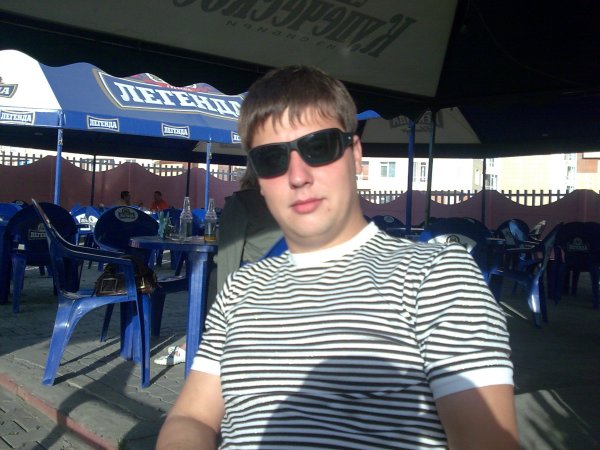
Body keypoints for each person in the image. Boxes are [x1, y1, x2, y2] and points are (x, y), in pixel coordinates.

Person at [156, 66, 518, 449]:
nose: (297, 175)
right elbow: (192, 417)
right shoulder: (240, 288)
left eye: (319, 147)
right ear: (258, 179)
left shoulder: (438, 277)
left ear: (356, 154)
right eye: (272, 158)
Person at [153, 165, 282, 366]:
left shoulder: (242, 202)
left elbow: (228, 256)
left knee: (209, 275)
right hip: (286, 281)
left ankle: (198, 345)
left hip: (254, 287)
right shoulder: (290, 203)